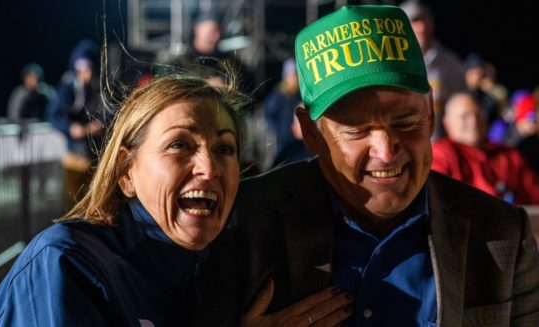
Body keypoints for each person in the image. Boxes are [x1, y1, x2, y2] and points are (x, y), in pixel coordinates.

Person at [195, 5, 539, 326]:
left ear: (431, 114)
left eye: (406, 123)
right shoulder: (242, 223)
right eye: (357, 130)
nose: (386, 151)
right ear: (311, 133)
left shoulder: (501, 233)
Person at [0, 74, 248, 325]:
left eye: (224, 148)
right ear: (126, 171)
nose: (209, 168)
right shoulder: (68, 264)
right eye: (179, 144)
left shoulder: (222, 270)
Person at [432, 91, 539, 204]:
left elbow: (534, 195)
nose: (474, 121)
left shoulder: (510, 156)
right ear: (446, 123)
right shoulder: (439, 155)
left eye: (478, 114)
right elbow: (437, 202)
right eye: (464, 116)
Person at [46, 39, 106, 209]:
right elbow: (53, 115)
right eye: (79, 66)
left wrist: (101, 125)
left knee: (98, 205)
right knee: (73, 206)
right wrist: (71, 128)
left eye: (87, 66)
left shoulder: (101, 86)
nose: (84, 71)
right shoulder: (68, 86)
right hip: (74, 157)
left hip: (98, 158)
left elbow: (113, 112)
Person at [399, 0, 465, 141]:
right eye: (415, 21)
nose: (421, 27)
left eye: (425, 20)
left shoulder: (450, 62)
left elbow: (462, 106)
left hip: (440, 151)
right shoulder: (391, 62)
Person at [264, 58, 311, 168]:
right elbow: (268, 115)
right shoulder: (278, 95)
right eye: (294, 75)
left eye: (297, 75)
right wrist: (280, 131)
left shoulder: (300, 94)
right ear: (287, 76)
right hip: (285, 142)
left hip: (300, 141)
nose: (296, 78)